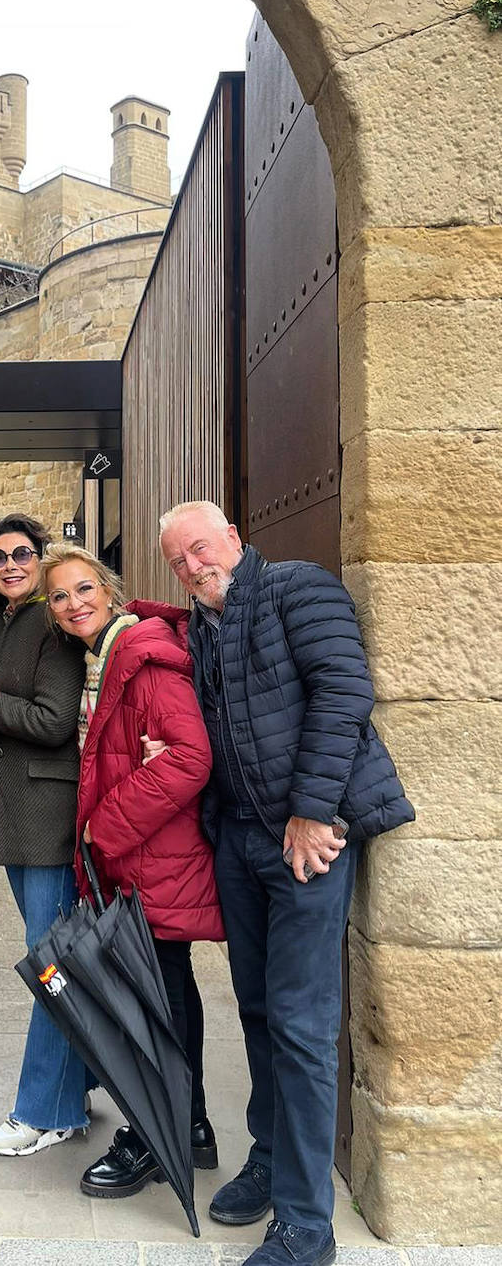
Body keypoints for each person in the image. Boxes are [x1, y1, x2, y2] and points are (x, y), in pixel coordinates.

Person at [157, 501, 414, 1266]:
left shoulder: (299, 587)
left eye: (200, 548)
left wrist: (309, 812)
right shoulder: (200, 625)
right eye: (176, 560)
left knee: (301, 1026)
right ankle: (269, 1161)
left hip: (308, 840)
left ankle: (306, 1226)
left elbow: (343, 692)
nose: (192, 565)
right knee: (261, 1009)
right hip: (239, 840)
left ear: (234, 537)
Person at [41, 542, 223, 1200]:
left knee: (155, 1004)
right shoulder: (104, 658)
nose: (72, 604)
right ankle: (190, 1126)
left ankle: (156, 1137)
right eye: (58, 596)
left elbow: (187, 759)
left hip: (152, 852)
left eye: (82, 588)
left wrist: (101, 830)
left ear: (109, 591)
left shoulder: (141, 659)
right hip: (143, 856)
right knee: (166, 992)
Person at [0, 514, 88, 1156]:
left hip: (46, 818)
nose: (10, 564)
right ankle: (76, 1088)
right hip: (17, 818)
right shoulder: (5, 618)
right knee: (55, 960)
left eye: (22, 553)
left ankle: (45, 1110)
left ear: (41, 559)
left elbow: (54, 720)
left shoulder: (49, 622)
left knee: (51, 968)